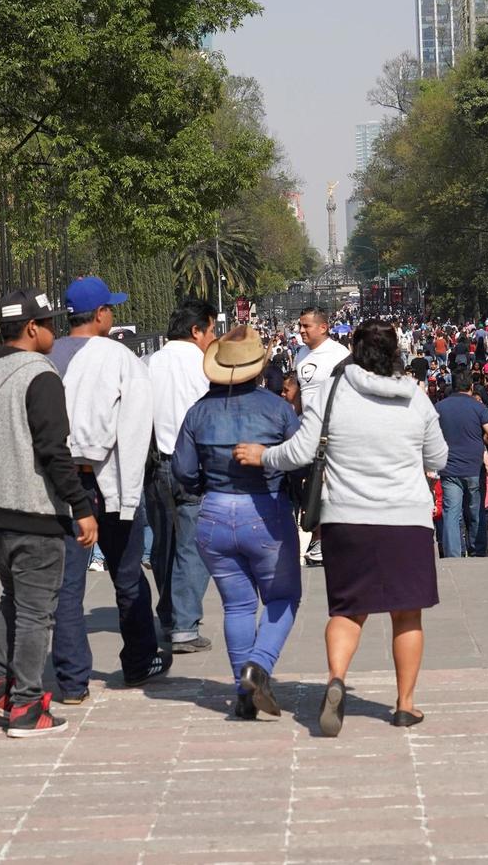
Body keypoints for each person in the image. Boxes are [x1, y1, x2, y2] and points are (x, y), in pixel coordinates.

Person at [235, 319, 448, 737]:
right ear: (396, 354)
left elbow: (299, 450)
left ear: (353, 349)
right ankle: (405, 705)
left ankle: (336, 678)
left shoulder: (333, 393)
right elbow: (438, 458)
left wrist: (263, 456)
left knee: (348, 611)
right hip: (406, 520)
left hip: (347, 519)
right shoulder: (417, 399)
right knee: (407, 615)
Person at [0, 289, 98, 738]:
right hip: (33, 510)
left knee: (14, 598)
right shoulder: (39, 375)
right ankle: (26, 706)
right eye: (49, 324)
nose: (55, 332)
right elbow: (55, 450)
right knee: (39, 610)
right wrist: (81, 507)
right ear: (32, 328)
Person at [174, 326, 302, 720]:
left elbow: (183, 471)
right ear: (258, 366)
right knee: (283, 598)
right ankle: (258, 666)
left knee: (238, 605)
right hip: (265, 512)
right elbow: (299, 457)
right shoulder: (277, 409)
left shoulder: (197, 412)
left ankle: (241, 691)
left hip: (213, 513)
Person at [50, 278, 167, 704]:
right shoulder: (120, 358)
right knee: (128, 574)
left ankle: (71, 680)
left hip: (61, 481)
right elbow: (135, 429)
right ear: (100, 314)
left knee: (68, 585)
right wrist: (128, 493)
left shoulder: (45, 356)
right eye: (110, 309)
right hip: (109, 480)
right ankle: (138, 660)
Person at [147, 299, 217, 654]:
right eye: (211, 329)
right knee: (194, 546)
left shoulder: (149, 363)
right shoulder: (206, 365)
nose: (213, 337)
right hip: (194, 466)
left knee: (163, 545)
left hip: (156, 465)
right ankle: (185, 626)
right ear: (196, 330)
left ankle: (170, 614)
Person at [293, 307, 351, 567]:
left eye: (306, 326)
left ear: (323, 328)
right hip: (306, 431)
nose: (301, 331)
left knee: (326, 485)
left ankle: (324, 539)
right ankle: (316, 535)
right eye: (300, 326)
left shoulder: (340, 355)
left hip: (332, 433)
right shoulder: (300, 354)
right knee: (310, 485)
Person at [435, 369, 488, 557]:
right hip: (474, 468)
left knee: (451, 514)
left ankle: (453, 554)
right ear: (471, 387)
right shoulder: (479, 407)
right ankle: (477, 550)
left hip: (449, 468)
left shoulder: (439, 407)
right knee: (475, 511)